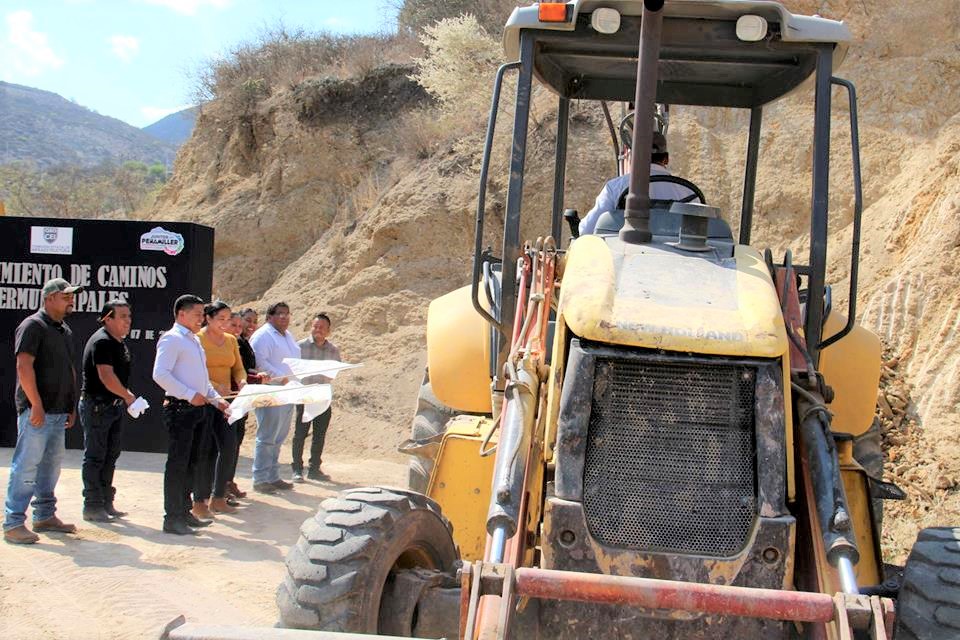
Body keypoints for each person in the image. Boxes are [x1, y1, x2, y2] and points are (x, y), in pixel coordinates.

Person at [4, 278, 82, 544]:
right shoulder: (32, 325)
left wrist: (71, 405)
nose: (71, 300)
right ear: (48, 299)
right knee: (26, 466)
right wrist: (35, 404)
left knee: (50, 467)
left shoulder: (64, 330)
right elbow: (23, 366)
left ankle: (45, 515)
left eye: (72, 296)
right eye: (65, 296)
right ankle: (13, 523)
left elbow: (69, 370)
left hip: (59, 411)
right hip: (38, 410)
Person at [152, 294, 230, 536]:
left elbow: (203, 380)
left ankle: (185, 512)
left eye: (201, 314)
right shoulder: (172, 339)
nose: (200, 318)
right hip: (180, 408)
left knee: (192, 463)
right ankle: (172, 517)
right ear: (181, 314)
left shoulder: (194, 341)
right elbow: (160, 374)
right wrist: (187, 394)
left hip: (198, 409)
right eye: (197, 314)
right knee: (177, 464)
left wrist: (217, 401)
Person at [578, 131, 701, 235]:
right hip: (676, 260)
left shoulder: (615, 187)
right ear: (666, 159)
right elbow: (700, 232)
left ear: (633, 157)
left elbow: (587, 230)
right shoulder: (689, 193)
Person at [79, 299, 136, 523]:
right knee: (95, 456)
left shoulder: (119, 342)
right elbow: (106, 376)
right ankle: (92, 505)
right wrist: (128, 395)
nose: (127, 321)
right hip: (97, 406)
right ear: (107, 318)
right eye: (122, 316)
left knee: (110, 455)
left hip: (112, 406)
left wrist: (124, 396)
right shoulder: (101, 342)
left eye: (129, 316)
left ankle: (105, 501)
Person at [193, 301, 245, 517]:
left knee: (229, 447)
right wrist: (214, 387)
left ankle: (218, 497)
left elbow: (238, 368)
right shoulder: (198, 340)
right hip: (205, 401)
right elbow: (195, 371)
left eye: (228, 319)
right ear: (209, 318)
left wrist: (241, 382)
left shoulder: (232, 340)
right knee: (206, 451)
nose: (225, 323)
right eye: (221, 319)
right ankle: (199, 500)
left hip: (226, 403)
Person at [249, 302, 300, 494]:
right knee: (268, 435)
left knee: (279, 436)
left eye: (287, 314)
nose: (284, 317)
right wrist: (281, 376)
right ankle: (260, 478)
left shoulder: (288, 336)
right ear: (269, 317)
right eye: (280, 314)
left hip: (288, 390)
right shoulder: (263, 335)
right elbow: (259, 362)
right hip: (270, 389)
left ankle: (272, 476)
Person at [291, 313, 341, 482]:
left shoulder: (333, 350)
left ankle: (314, 469)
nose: (318, 330)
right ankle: (297, 469)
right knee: (300, 434)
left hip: (322, 397)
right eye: (315, 326)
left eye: (322, 328)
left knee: (319, 435)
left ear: (328, 331)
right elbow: (293, 370)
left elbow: (333, 373)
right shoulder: (300, 347)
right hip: (304, 396)